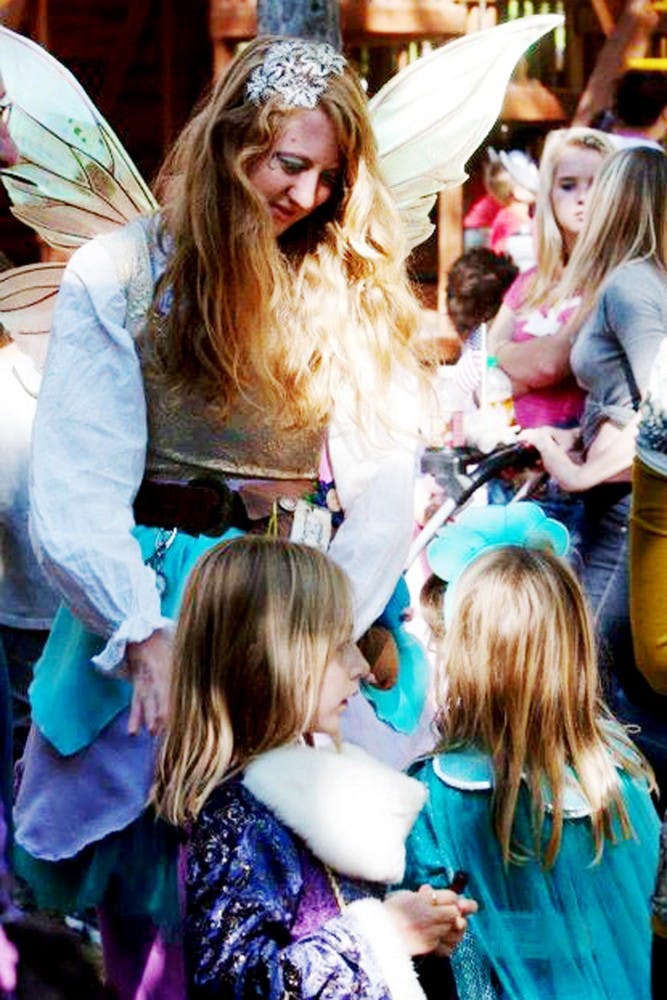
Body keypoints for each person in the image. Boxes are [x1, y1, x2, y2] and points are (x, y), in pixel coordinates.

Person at [12, 37, 430, 998]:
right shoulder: (123, 271)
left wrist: (322, 633)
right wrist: (137, 627)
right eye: (288, 163)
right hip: (159, 596)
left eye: (330, 178)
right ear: (232, 138)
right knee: (158, 888)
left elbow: (382, 488)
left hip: (293, 603)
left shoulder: (347, 286)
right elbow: (75, 479)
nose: (307, 195)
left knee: (291, 885)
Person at [153, 535, 476, 999]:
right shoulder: (238, 816)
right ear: (269, 660)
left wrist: (417, 932)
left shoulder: (294, 786)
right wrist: (385, 934)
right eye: (341, 645)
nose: (361, 665)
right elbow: (235, 986)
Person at [403, 541, 659, 999]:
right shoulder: (621, 778)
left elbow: (441, 948)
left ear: (463, 653)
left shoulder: (433, 795)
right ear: (576, 645)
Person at [521, 147, 667, 757]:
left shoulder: (631, 284)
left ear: (617, 202)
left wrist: (579, 474)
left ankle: (630, 812)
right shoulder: (641, 280)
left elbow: (661, 403)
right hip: (622, 508)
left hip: (626, 512)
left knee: (599, 690)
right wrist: (576, 439)